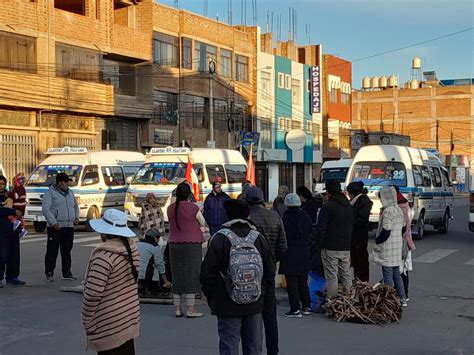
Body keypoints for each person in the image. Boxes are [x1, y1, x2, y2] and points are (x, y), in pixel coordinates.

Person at [200, 199, 275, 355]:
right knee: (253, 347)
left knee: (229, 347)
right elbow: (270, 271)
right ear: (247, 215)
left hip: (227, 304)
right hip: (254, 303)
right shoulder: (258, 238)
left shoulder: (219, 238)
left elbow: (206, 275)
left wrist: (214, 298)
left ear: (228, 216)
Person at [82, 209, 140, 355]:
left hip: (108, 322)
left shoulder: (103, 256)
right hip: (127, 317)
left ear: (104, 232)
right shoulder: (131, 250)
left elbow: (92, 294)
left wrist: (87, 318)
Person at [245, 186, 287, 355]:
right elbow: (283, 246)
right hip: (268, 270)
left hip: (247, 271)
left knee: (249, 315)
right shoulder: (275, 217)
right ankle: (273, 350)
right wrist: (273, 260)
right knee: (270, 315)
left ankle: (252, 349)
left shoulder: (246, 218)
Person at [167, 182, 206, 318]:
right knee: (191, 275)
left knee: (176, 276)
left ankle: (178, 309)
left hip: (173, 244)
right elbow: (202, 222)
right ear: (189, 194)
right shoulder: (193, 208)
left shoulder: (170, 208)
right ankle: (191, 308)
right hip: (192, 244)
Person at [313, 180, 353, 300]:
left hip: (330, 246)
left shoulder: (328, 206)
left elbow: (321, 228)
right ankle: (350, 299)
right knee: (346, 273)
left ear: (329, 193)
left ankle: (331, 300)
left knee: (332, 276)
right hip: (346, 245)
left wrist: (318, 243)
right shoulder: (349, 206)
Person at [373, 186, 408, 307]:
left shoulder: (388, 211)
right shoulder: (398, 209)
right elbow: (403, 227)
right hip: (397, 245)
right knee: (396, 274)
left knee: (387, 274)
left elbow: (386, 230)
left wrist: (378, 240)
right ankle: (403, 298)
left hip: (388, 246)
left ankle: (389, 298)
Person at [42, 172, 80, 282]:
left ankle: (66, 272)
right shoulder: (50, 193)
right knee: (52, 251)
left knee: (67, 251)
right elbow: (46, 209)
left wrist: (76, 217)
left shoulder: (70, 193)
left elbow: (76, 206)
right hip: (56, 227)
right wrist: (53, 222)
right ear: (60, 183)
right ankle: (49, 272)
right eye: (66, 182)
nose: (68, 184)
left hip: (69, 226)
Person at [279, 193, 312, 318]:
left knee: (291, 281)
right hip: (304, 251)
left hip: (290, 251)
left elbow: (282, 236)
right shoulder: (306, 217)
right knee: (302, 281)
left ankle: (295, 309)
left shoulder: (285, 218)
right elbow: (310, 232)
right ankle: (307, 306)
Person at [0, 175, 25, 287]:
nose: (0, 186)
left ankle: (12, 276)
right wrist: (13, 211)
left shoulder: (10, 194)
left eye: (2, 184)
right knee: (2, 255)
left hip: (13, 229)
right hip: (2, 230)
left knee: (14, 254)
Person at [346, 181, 372, 282]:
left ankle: (362, 282)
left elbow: (362, 219)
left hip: (359, 236)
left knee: (361, 260)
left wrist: (350, 222)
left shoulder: (363, 201)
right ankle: (358, 280)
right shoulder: (358, 201)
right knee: (357, 261)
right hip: (356, 236)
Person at [394, 186, 416, 301]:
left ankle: (402, 295)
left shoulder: (397, 208)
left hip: (400, 242)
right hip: (406, 241)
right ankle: (404, 294)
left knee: (399, 270)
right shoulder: (406, 205)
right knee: (403, 270)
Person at [137, 228, 172, 297]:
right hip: (144, 276)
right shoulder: (155, 247)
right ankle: (152, 288)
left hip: (133, 273)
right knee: (157, 265)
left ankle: (141, 287)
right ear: (156, 238)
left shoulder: (137, 244)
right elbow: (160, 265)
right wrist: (166, 281)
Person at [7, 173, 28, 238]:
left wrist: (8, 194)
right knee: (20, 219)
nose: (14, 183)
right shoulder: (21, 188)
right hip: (21, 207)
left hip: (18, 207)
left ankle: (18, 226)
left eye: (15, 181)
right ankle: (22, 230)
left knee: (12, 217)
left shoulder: (19, 188)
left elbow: (16, 196)